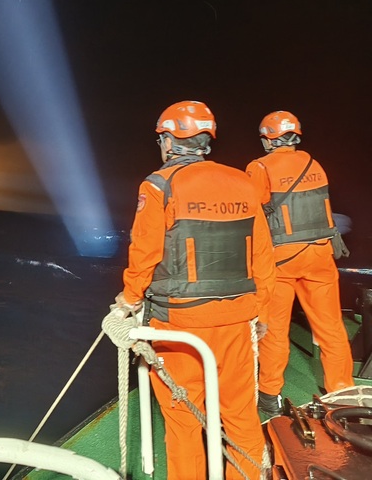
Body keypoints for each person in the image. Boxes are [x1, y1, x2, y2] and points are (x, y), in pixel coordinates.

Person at [115, 100, 276, 480]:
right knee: (240, 414)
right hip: (238, 320)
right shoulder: (243, 181)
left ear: (169, 141)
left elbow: (145, 252)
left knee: (184, 420)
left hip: (180, 327)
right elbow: (264, 258)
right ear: (206, 140)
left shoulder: (158, 185)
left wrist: (128, 299)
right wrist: (263, 315)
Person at [245, 110, 354, 416]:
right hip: (320, 256)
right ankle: (342, 390)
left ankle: (269, 394)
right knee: (331, 327)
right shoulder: (314, 164)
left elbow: (251, 214)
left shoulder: (260, 167)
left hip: (280, 261)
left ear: (268, 138)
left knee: (275, 329)